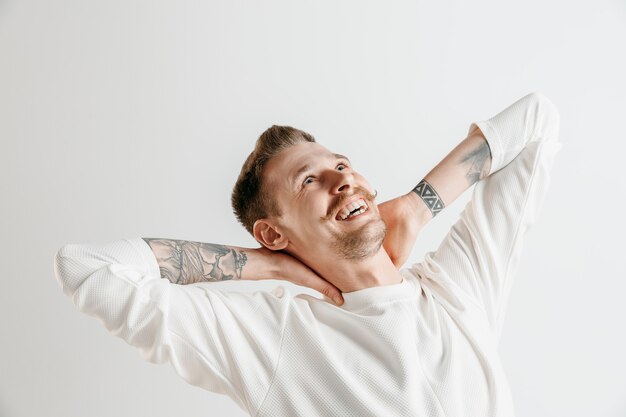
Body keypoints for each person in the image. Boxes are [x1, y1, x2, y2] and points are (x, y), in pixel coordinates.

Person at [54, 91, 563, 417]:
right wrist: (266, 265)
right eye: (309, 181)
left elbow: (537, 121)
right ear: (273, 233)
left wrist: (415, 207)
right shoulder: (275, 338)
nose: (343, 180)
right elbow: (89, 269)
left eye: (341, 164)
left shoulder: (458, 287)